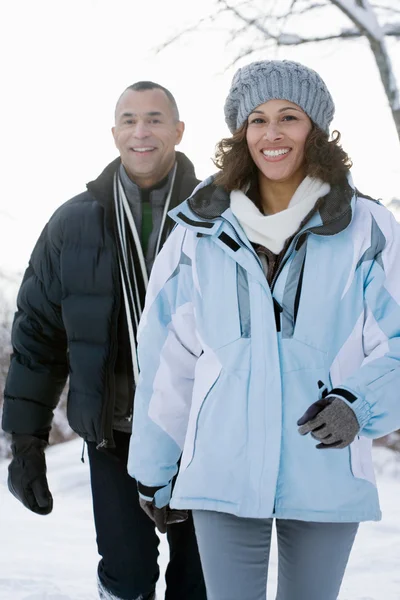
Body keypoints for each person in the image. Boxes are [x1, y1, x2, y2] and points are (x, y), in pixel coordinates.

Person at [127, 60, 400, 600]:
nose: (271, 134)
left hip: (326, 461)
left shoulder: (367, 227)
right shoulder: (197, 230)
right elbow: (166, 357)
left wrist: (358, 404)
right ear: (240, 133)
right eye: (256, 119)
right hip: (222, 469)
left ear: (315, 129)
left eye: (289, 117)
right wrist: (154, 466)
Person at [2, 81, 206, 600]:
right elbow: (38, 339)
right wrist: (27, 441)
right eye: (130, 119)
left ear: (178, 131)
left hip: (206, 434)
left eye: (156, 119)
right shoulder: (72, 224)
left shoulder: (219, 217)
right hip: (116, 434)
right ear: (114, 132)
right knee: (128, 575)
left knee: (199, 582)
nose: (142, 131)